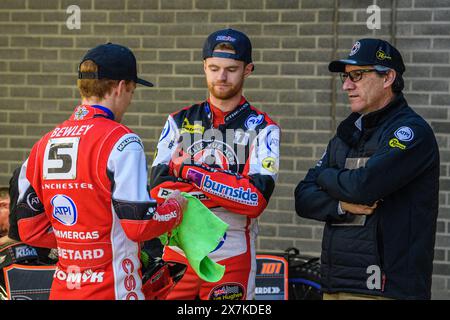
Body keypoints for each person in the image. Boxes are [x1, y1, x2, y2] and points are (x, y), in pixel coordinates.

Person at [9, 43, 187, 300]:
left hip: (63, 291)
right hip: (112, 290)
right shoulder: (123, 140)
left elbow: (29, 229)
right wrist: (175, 208)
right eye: (132, 91)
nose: (129, 100)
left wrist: (79, 244)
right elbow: (139, 225)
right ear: (120, 87)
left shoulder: (43, 144)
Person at [294, 38, 440, 300]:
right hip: (335, 284)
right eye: (346, 77)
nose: (347, 85)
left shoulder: (411, 132)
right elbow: (303, 197)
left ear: (388, 78)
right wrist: (342, 205)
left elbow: (364, 186)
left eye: (358, 75)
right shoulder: (346, 135)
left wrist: (325, 176)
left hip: (385, 289)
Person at [150, 28, 280, 300]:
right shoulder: (177, 121)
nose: (221, 77)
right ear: (204, 67)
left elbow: (255, 200)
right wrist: (227, 188)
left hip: (232, 255)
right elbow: (157, 190)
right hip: (178, 254)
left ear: (248, 70)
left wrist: (188, 171)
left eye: (231, 69)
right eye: (214, 68)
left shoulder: (264, 129)